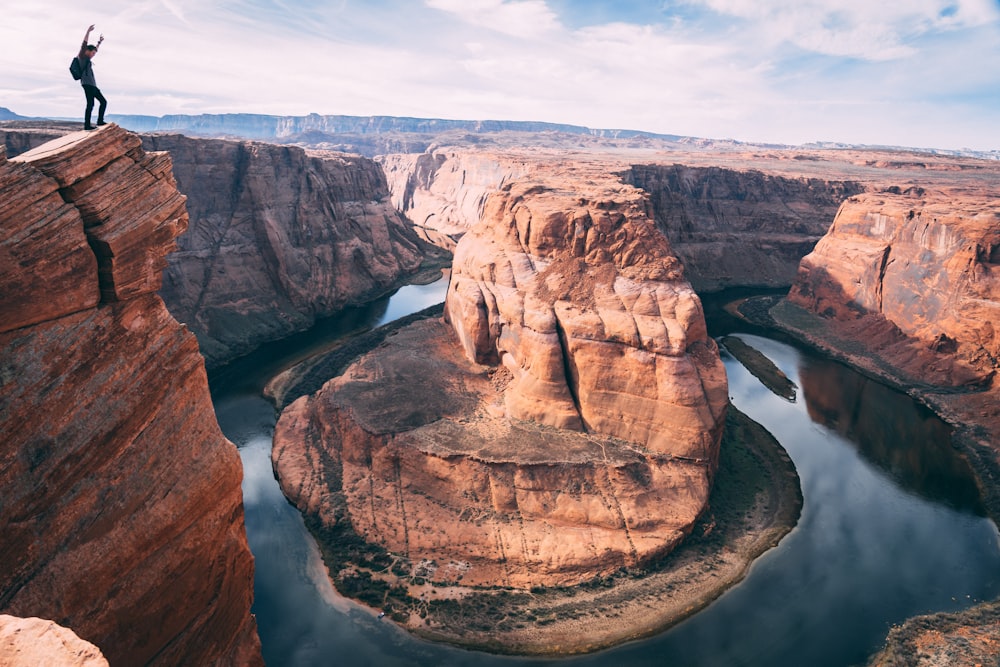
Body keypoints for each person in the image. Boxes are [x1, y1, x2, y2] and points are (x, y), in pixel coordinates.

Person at [76, 25, 107, 130]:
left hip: (92, 85)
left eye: (94, 53)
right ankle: (87, 125)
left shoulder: (88, 59)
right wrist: (88, 32)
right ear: (87, 51)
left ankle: (99, 121)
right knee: (90, 104)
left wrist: (99, 43)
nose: (94, 55)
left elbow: (95, 50)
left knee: (103, 102)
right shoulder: (82, 57)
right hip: (87, 84)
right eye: (92, 53)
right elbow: (83, 44)